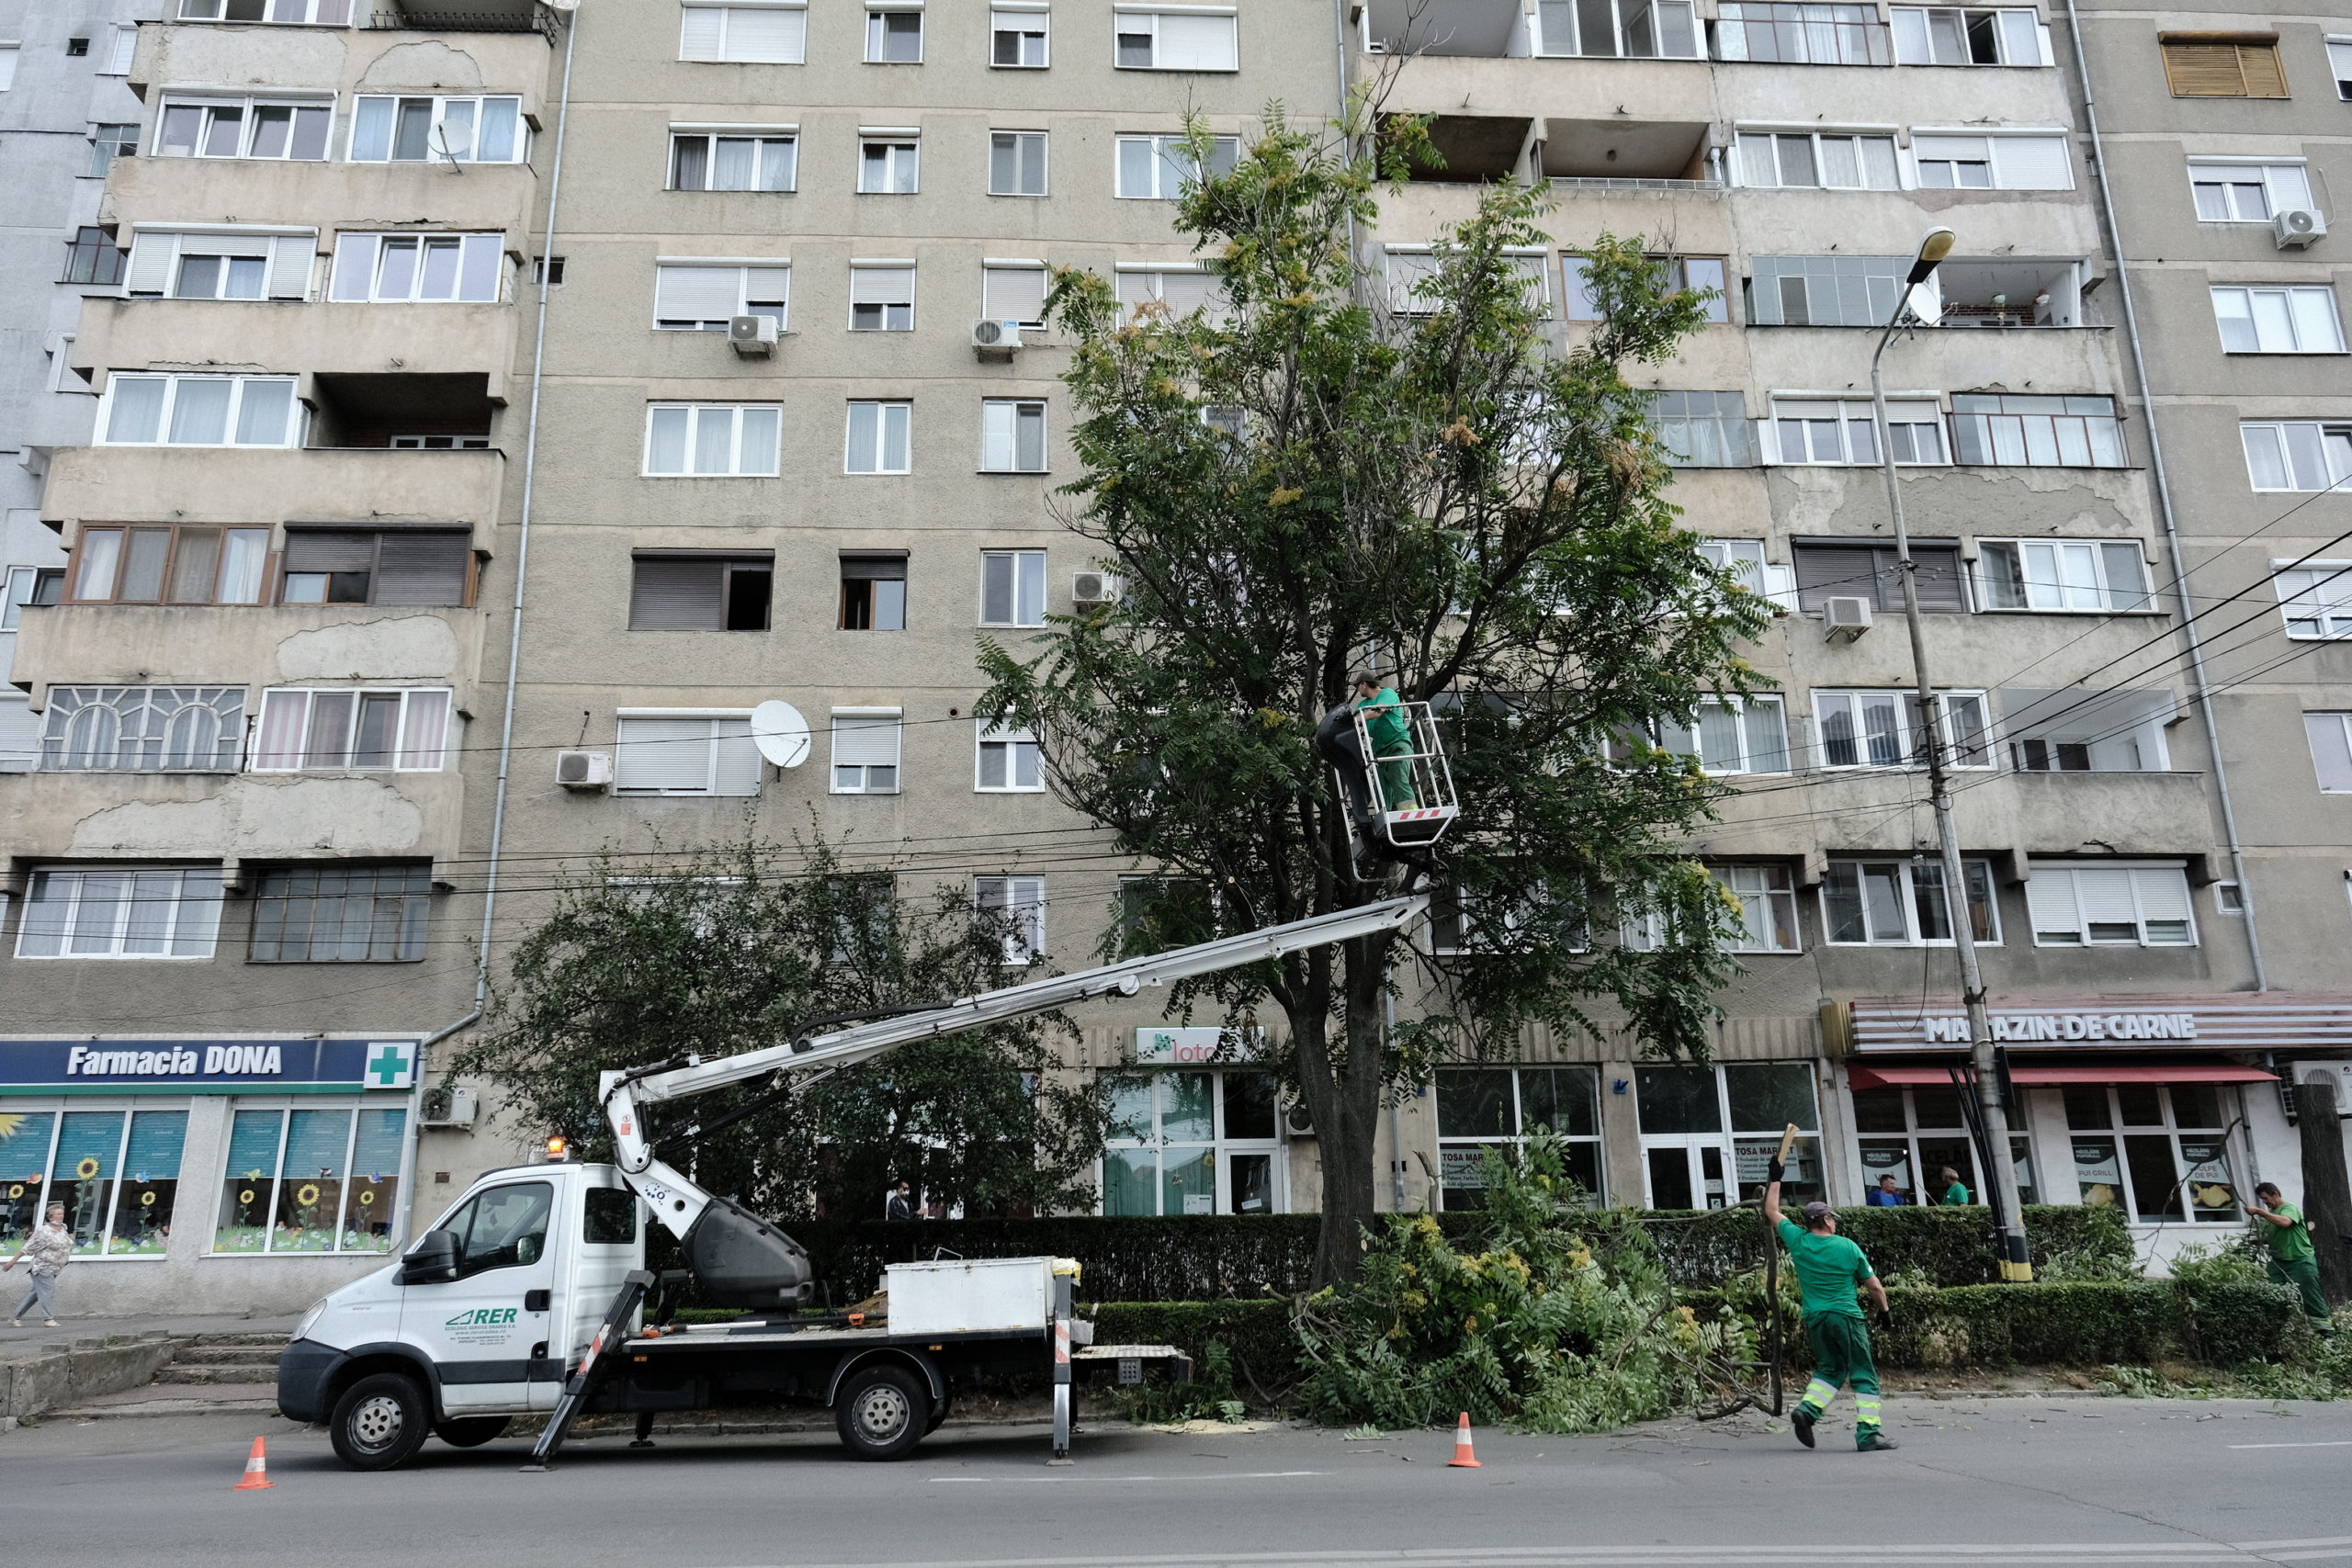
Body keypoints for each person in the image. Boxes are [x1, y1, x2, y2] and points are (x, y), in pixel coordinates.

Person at [1764, 1165, 1897, 1453]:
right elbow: (1874, 1286)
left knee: (1831, 1368)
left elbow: (1772, 1210)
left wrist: (1776, 1178)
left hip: (1815, 1318)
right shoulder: (1848, 1247)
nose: (1834, 1222)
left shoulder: (1798, 1242)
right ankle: (1868, 1435)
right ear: (1825, 1220)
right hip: (1846, 1316)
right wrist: (1884, 1311)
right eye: (1831, 1218)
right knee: (1863, 1372)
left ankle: (1807, 1412)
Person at [2246, 1182, 2334, 1336]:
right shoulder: (2273, 1211)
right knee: (2271, 1293)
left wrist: (2259, 1211)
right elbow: (2281, 1234)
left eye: (2266, 1199)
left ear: (2275, 1194)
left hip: (2300, 1261)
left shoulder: (2289, 1208)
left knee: (2310, 1296)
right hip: (2279, 1262)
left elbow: (2285, 1223)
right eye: (2262, 1200)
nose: (2266, 1203)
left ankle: (2326, 1333)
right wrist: (2261, 1241)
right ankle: (2275, 1332)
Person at [1351, 671, 1416, 812]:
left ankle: (1410, 812)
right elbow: (1354, 724)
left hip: (1397, 745)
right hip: (1379, 752)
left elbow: (1378, 711)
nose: (1357, 689)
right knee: (1380, 789)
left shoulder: (1387, 693)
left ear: (1364, 684)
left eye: (1357, 686)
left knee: (1397, 776)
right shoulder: (1363, 704)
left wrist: (1355, 720)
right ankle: (1384, 818)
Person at [6, 1201, 74, 1326]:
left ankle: (15, 1317)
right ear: (50, 1217)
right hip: (42, 1267)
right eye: (58, 1214)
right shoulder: (43, 1231)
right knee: (48, 1291)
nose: (61, 1216)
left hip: (56, 1268)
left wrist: (70, 1239)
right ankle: (48, 1319)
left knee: (36, 1294)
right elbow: (27, 1247)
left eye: (62, 1214)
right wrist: (12, 1262)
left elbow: (63, 1245)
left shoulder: (63, 1229)